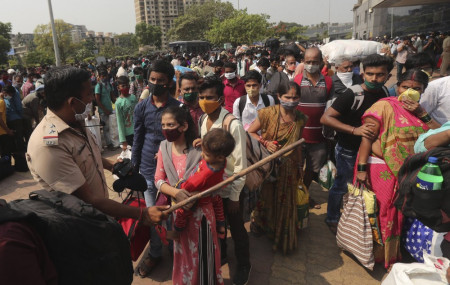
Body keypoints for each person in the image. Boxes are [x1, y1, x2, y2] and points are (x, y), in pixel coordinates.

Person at [26, 66, 167, 233]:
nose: (91, 99)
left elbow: (88, 154)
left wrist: (112, 166)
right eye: (88, 95)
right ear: (72, 102)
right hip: (81, 226)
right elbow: (88, 200)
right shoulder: (48, 144)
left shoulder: (74, 121)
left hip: (100, 215)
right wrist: (142, 213)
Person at [355, 69, 439, 269]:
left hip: (408, 173)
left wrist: (422, 114)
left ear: (423, 91)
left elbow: (440, 134)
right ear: (397, 87)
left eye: (416, 89)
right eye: (405, 87)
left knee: (399, 213)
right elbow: (366, 137)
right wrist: (361, 168)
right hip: (381, 169)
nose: (409, 92)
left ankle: (391, 256)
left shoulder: (422, 112)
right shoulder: (383, 106)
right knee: (381, 212)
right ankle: (374, 255)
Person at [321, 54, 393, 233]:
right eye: (370, 74)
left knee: (364, 185)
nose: (374, 79)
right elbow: (326, 118)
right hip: (348, 149)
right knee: (342, 185)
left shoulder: (384, 93)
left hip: (371, 152)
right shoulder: (353, 94)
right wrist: (355, 130)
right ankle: (332, 218)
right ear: (362, 74)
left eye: (379, 75)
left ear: (388, 76)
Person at [154, 105, 218, 284]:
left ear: (183, 126)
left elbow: (220, 177)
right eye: (163, 125)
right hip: (178, 214)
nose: (166, 129)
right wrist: (177, 193)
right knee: (184, 257)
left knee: (203, 256)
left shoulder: (200, 149)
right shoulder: (163, 147)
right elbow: (158, 179)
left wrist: (196, 194)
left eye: (170, 125)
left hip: (201, 215)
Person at [196, 77, 251, 285]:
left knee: (237, 229)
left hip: (231, 189)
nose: (204, 101)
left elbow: (240, 165)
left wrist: (235, 196)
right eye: (201, 97)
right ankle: (224, 256)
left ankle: (244, 264)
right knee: (217, 227)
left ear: (220, 99)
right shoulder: (203, 120)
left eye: (209, 97)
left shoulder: (232, 124)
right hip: (211, 187)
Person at [132, 60, 180, 276]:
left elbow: (183, 141)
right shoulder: (141, 107)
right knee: (153, 216)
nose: (156, 84)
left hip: (173, 174)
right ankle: (156, 252)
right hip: (148, 172)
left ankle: (177, 249)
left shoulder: (177, 108)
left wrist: (165, 153)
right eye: (152, 80)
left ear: (169, 82)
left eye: (161, 81)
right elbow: (138, 138)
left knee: (174, 215)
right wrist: (134, 167)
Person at [248, 81, 307, 253]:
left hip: (287, 167)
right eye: (287, 97)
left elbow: (297, 145)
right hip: (267, 163)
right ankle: (259, 224)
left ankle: (277, 228)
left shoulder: (301, 118)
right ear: (279, 97)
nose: (291, 100)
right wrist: (265, 142)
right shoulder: (267, 113)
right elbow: (250, 132)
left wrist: (298, 167)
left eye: (295, 97)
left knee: (284, 199)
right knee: (265, 195)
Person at [173, 128, 232, 235]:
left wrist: (181, 186)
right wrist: (205, 144)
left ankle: (178, 228)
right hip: (212, 191)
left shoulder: (205, 175)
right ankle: (221, 224)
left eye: (206, 154)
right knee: (218, 203)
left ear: (219, 157)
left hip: (199, 197)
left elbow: (189, 186)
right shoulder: (221, 160)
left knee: (183, 210)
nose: (201, 155)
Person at [295, 47, 334, 209]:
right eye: (308, 62)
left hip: (319, 136)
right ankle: (296, 196)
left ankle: (305, 193)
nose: (311, 65)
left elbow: (330, 108)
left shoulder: (329, 82)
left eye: (314, 62)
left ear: (321, 62)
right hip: (298, 136)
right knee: (297, 168)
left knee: (312, 169)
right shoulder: (296, 80)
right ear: (303, 62)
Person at [95, 69, 116, 150]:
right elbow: (97, 100)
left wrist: (117, 103)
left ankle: (113, 142)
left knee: (112, 127)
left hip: (110, 109)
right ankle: (109, 144)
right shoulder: (98, 86)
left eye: (105, 76)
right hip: (103, 111)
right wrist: (104, 110)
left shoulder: (109, 85)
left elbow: (112, 97)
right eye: (102, 76)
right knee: (106, 128)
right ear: (99, 77)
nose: (104, 77)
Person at [115, 76, 137, 151]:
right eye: (123, 86)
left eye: (127, 85)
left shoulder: (133, 98)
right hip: (128, 134)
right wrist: (123, 140)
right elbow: (120, 121)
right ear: (118, 88)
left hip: (137, 130)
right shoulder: (118, 103)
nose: (126, 87)